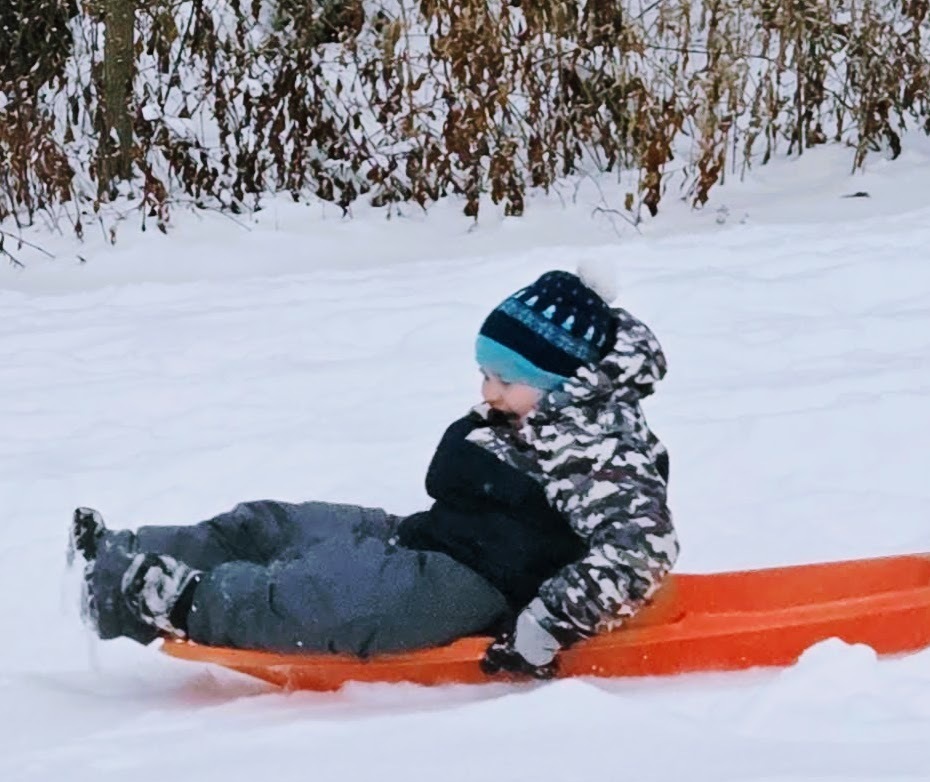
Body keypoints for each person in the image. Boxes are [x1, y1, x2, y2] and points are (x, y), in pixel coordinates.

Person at [69, 266, 679, 678]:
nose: (486, 391)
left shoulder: (603, 447)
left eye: (504, 380)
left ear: (562, 383)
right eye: (484, 374)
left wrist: (546, 625)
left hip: (480, 588)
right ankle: (124, 551)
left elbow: (642, 549)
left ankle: (160, 597)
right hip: (429, 538)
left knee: (318, 597)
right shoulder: (538, 413)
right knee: (278, 526)